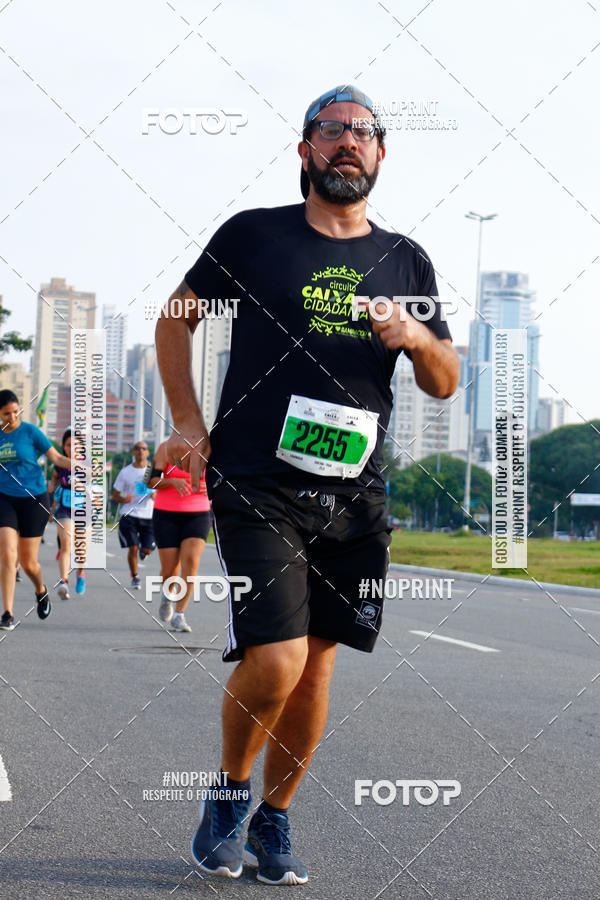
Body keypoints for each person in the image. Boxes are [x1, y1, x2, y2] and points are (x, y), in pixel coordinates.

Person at [155, 85, 459, 884]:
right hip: (259, 480)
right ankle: (229, 793)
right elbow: (174, 318)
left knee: (317, 668)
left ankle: (274, 817)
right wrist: (188, 422)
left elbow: (446, 381)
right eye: (331, 130)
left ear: (382, 152)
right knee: (278, 660)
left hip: (355, 496)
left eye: (362, 131)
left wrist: (416, 335)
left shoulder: (406, 260)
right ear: (305, 150)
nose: (347, 142)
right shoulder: (255, 237)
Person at [0, 390, 74, 631]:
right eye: (6, 414)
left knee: (29, 563)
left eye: (15, 412)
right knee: (8, 554)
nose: (12, 417)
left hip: (34, 499)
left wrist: (80, 466)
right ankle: (8, 613)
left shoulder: (31, 432)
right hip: (5, 499)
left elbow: (57, 458)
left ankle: (41, 591)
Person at [147, 441, 211, 633]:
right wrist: (173, 481)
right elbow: (150, 481)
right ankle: (168, 597)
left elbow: (225, 477)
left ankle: (179, 615)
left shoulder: (209, 449)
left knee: (190, 562)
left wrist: (212, 487)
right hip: (166, 514)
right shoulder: (165, 448)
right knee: (169, 570)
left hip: (198, 513)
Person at [48, 428, 86, 600]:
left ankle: (80, 572)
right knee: (65, 544)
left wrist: (84, 487)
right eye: (68, 445)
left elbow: (98, 485)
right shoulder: (61, 463)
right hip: (65, 508)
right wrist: (52, 484)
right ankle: (63, 581)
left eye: (76, 445)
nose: (72, 448)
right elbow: (55, 477)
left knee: (81, 551)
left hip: (84, 510)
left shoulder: (89, 464)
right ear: (64, 447)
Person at [111, 441, 155, 590]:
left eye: (144, 448)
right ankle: (135, 576)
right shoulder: (125, 472)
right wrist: (125, 499)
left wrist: (156, 495)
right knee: (133, 547)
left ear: (147, 452)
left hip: (149, 515)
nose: (140, 451)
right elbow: (115, 495)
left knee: (146, 549)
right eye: (137, 448)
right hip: (129, 514)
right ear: (133, 452)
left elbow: (162, 490)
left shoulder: (153, 471)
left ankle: (145, 550)